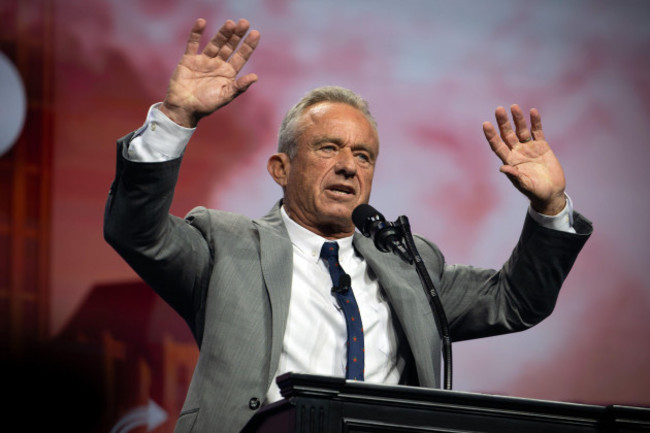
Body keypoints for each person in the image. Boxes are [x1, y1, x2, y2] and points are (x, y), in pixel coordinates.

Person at [104, 18, 592, 433]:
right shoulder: (225, 244)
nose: (348, 166)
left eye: (363, 155)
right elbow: (136, 231)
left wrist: (550, 206)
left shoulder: (411, 263)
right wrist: (176, 117)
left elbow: (517, 301)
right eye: (327, 148)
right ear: (280, 168)